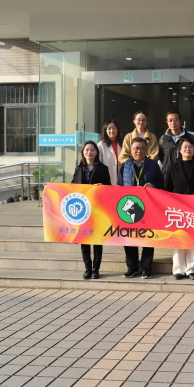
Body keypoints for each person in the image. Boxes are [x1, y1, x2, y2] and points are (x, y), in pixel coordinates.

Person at [162, 137, 194, 281]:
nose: (188, 149)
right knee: (178, 238)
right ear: (180, 150)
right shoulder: (172, 168)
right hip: (177, 210)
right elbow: (166, 189)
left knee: (193, 239)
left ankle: (192, 269)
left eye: (190, 147)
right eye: (185, 147)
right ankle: (178, 269)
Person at [117, 137, 164, 279]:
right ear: (131, 150)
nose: (139, 151)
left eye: (142, 148)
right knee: (129, 237)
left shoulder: (153, 165)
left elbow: (161, 182)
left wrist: (153, 186)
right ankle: (132, 268)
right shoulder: (124, 166)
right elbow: (119, 186)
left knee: (148, 236)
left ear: (146, 150)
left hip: (148, 206)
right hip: (129, 207)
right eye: (136, 148)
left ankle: (146, 268)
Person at [71, 141, 111, 280]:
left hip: (97, 209)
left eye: (92, 150)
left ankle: (96, 269)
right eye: (87, 150)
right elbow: (72, 187)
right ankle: (87, 268)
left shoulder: (103, 168)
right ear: (83, 152)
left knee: (97, 240)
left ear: (96, 152)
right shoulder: (78, 169)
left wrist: (102, 186)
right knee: (84, 240)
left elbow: (109, 187)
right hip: (82, 210)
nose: (89, 152)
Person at [97, 120, 122, 186]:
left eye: (114, 128)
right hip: (107, 180)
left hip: (121, 180)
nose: (112, 131)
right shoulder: (101, 145)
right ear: (105, 131)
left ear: (117, 130)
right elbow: (98, 164)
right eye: (109, 129)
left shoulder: (122, 144)